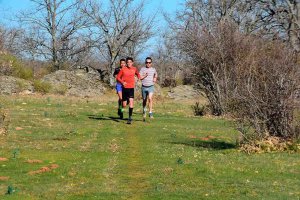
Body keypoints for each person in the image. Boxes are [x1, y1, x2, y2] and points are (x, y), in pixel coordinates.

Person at [117, 57, 146, 124]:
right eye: (128, 62)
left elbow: (137, 74)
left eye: (130, 62)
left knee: (131, 102)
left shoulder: (134, 69)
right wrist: (122, 82)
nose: (129, 63)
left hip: (131, 88)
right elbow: (118, 77)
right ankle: (120, 109)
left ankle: (129, 118)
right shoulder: (123, 69)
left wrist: (140, 77)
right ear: (126, 63)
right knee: (124, 104)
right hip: (124, 88)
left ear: (132, 63)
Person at [139, 57, 157, 121]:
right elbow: (140, 78)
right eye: (147, 62)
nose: (148, 63)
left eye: (149, 62)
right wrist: (145, 76)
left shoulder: (153, 69)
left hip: (151, 86)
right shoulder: (142, 69)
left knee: (150, 98)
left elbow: (155, 75)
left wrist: (155, 79)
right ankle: (144, 111)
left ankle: (150, 112)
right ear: (145, 63)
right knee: (144, 100)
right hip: (144, 86)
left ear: (151, 63)